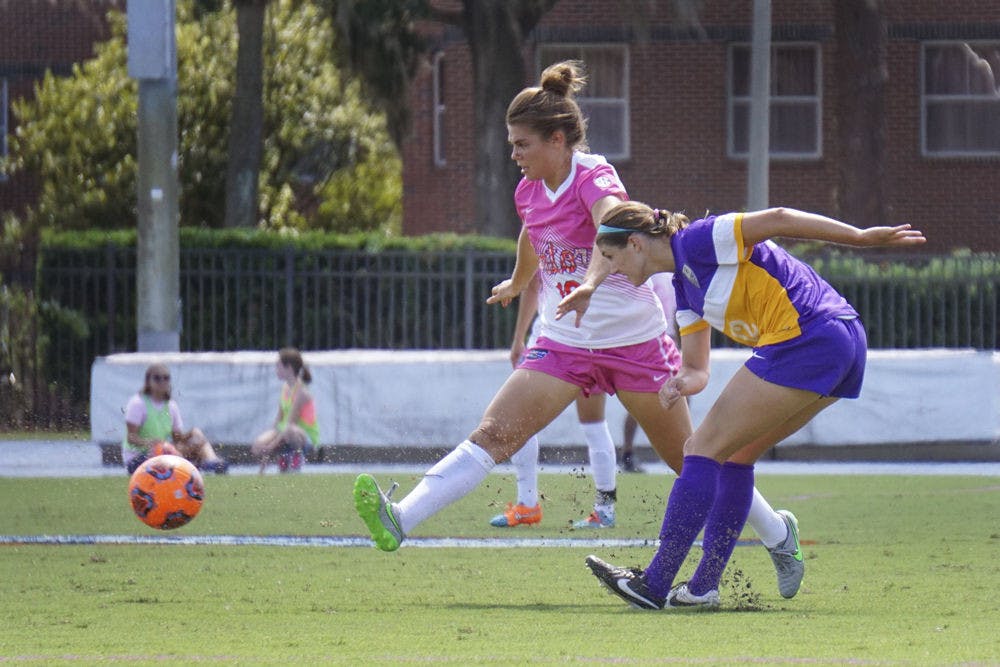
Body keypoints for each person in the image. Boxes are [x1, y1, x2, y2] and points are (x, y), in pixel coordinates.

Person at [353, 60, 807, 599]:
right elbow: (532, 234)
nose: (515, 154)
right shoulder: (529, 189)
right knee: (495, 434)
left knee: (693, 458)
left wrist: (591, 282)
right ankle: (399, 519)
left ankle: (779, 534)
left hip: (634, 344)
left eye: (523, 144)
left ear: (558, 139)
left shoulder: (594, 175)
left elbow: (612, 223)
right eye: (512, 144)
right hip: (564, 343)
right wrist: (519, 281)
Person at [575, 201, 926, 609]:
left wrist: (861, 238)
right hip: (840, 341)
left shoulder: (698, 239)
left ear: (635, 244)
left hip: (810, 336)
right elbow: (697, 369)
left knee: (700, 449)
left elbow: (778, 218)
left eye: (611, 258)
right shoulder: (684, 290)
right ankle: (702, 588)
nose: (611, 270)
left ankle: (654, 582)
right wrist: (682, 382)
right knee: (734, 457)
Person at [490, 272, 620, 529]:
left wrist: (518, 337)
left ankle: (527, 504)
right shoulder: (601, 240)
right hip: (590, 334)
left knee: (523, 418)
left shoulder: (548, 232)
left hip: (557, 337)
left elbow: (533, 282)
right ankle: (604, 509)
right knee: (593, 424)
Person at [122, 363, 228, 475]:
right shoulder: (138, 403)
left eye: (166, 378)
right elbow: (131, 438)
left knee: (196, 439)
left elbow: (177, 439)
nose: (162, 381)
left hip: (161, 453)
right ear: (148, 381)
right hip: (138, 458)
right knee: (167, 453)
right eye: (157, 378)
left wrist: (192, 434)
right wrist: (150, 443)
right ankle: (197, 466)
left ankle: (211, 462)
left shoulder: (171, 405)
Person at [620, 272, 677, 473]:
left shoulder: (671, 273)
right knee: (639, 400)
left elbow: (676, 313)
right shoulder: (648, 273)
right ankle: (627, 452)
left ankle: (678, 452)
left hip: (666, 340)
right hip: (647, 339)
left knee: (680, 395)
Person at [251, 347, 319, 474]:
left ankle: (297, 457)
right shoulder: (285, 388)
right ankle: (285, 456)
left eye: (278, 366)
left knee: (289, 431)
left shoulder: (301, 392)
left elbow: (290, 424)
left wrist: (270, 447)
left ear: (289, 368)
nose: (276, 370)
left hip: (303, 438)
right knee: (258, 445)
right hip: (286, 433)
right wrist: (264, 446)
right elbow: (278, 422)